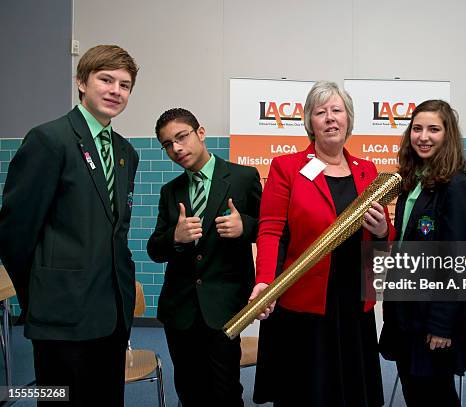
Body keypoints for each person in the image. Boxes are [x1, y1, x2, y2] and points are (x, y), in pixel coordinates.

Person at [0, 45, 139, 406]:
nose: (115, 91)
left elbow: (115, 230)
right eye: (105, 80)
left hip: (111, 312)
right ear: (81, 82)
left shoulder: (126, 152)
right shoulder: (49, 139)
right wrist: (40, 298)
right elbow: (16, 233)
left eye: (124, 85)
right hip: (61, 313)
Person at [250, 81, 392, 407]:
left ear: (348, 119)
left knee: (352, 391)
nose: (330, 118)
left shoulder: (367, 170)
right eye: (321, 112)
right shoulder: (286, 168)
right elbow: (271, 230)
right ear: (310, 122)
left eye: (336, 110)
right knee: (307, 391)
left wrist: (384, 229)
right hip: (305, 300)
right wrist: (264, 281)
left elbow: (382, 237)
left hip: (354, 301)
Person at [147, 108, 261, 406]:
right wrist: (175, 237)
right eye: (168, 144)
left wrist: (244, 226)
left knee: (225, 391)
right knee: (189, 389)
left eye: (181, 137)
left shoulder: (243, 177)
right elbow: (154, 249)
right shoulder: (170, 191)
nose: (176, 149)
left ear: (200, 132)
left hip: (225, 308)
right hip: (180, 310)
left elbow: (273, 231)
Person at [378, 100, 466, 406]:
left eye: (434, 129)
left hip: (433, 318)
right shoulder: (412, 182)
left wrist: (441, 325)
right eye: (417, 128)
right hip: (405, 312)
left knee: (435, 397)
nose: (423, 136)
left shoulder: (457, 186)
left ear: (448, 136)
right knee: (414, 392)